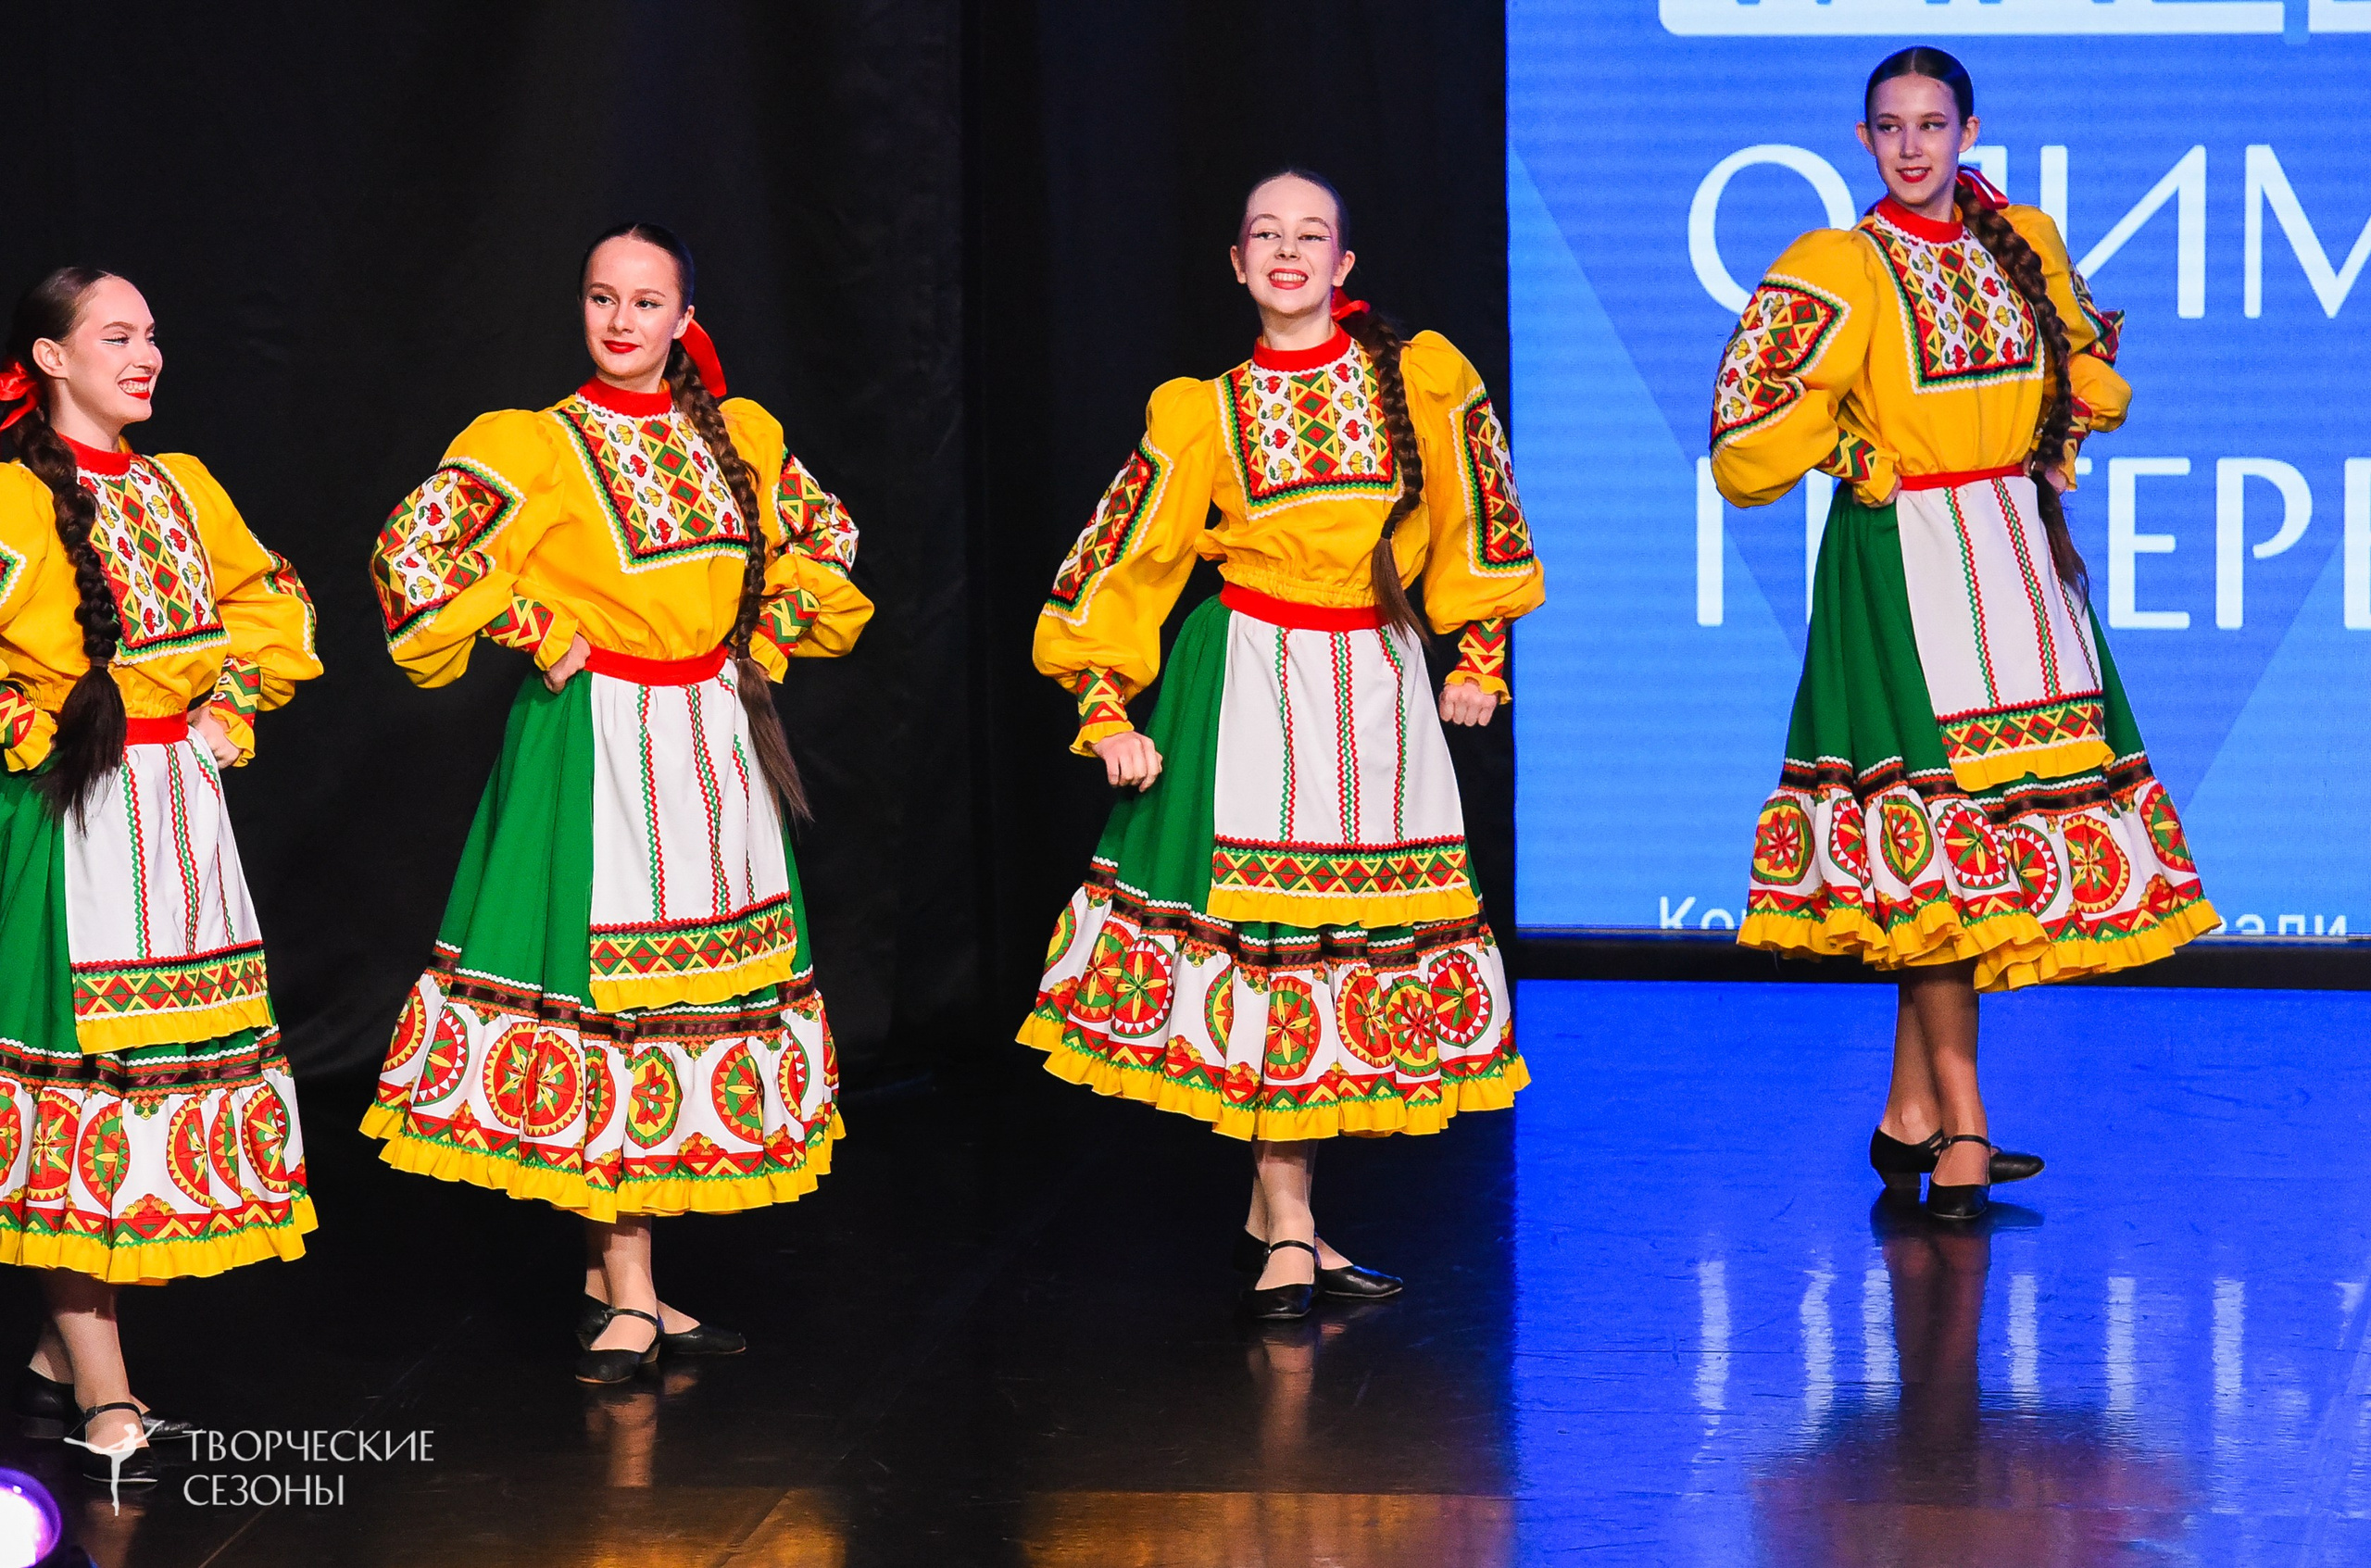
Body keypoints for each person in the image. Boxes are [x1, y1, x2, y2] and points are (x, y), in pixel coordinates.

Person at [1020, 169, 1545, 1320]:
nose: (1289, 251)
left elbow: (1481, 511)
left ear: (1345, 266)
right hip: (1252, 678)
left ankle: (1282, 1213)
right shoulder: (1201, 411)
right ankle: (1292, 1226)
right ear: (1237, 260)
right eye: (1266, 233)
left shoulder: (1420, 379)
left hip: (1378, 677)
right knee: (1277, 943)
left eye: (1312, 236)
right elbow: (1125, 558)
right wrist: (1102, 703)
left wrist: (1478, 654)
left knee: (1351, 945)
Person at [1710, 49, 2216, 1220]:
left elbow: (2092, 375)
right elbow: (1745, 435)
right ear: (1862, 139)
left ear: (1968, 131)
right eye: (1889, 128)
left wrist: (2060, 415)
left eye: (1932, 125)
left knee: (1966, 862)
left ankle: (1907, 1118)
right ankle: (1968, 1131)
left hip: (2013, 546)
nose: (1912, 147)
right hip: (1901, 565)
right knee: (1937, 847)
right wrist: (1849, 451)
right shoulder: (1838, 265)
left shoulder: (2018, 241)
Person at [363, 223, 871, 1383]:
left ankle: (615, 1283)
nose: (621, 322)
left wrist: (760, 640)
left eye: (646, 303)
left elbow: (826, 546)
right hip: (596, 747)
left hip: (706, 740)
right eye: (602, 299)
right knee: (611, 998)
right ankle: (632, 1288)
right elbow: (415, 551)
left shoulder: (737, 435)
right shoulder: (538, 445)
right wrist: (534, 622)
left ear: (684, 317)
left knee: (687, 998)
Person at [0, 267, 321, 1485]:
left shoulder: (182, 489)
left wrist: (234, 692)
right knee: (85, 1094)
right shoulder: (12, 504)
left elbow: (269, 596)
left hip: (179, 822)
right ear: (49, 356)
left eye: (152, 335)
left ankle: (54, 1350)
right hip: (71, 829)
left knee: (154, 1091)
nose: (147, 356)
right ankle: (103, 1383)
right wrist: (29, 730)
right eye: (115, 335)